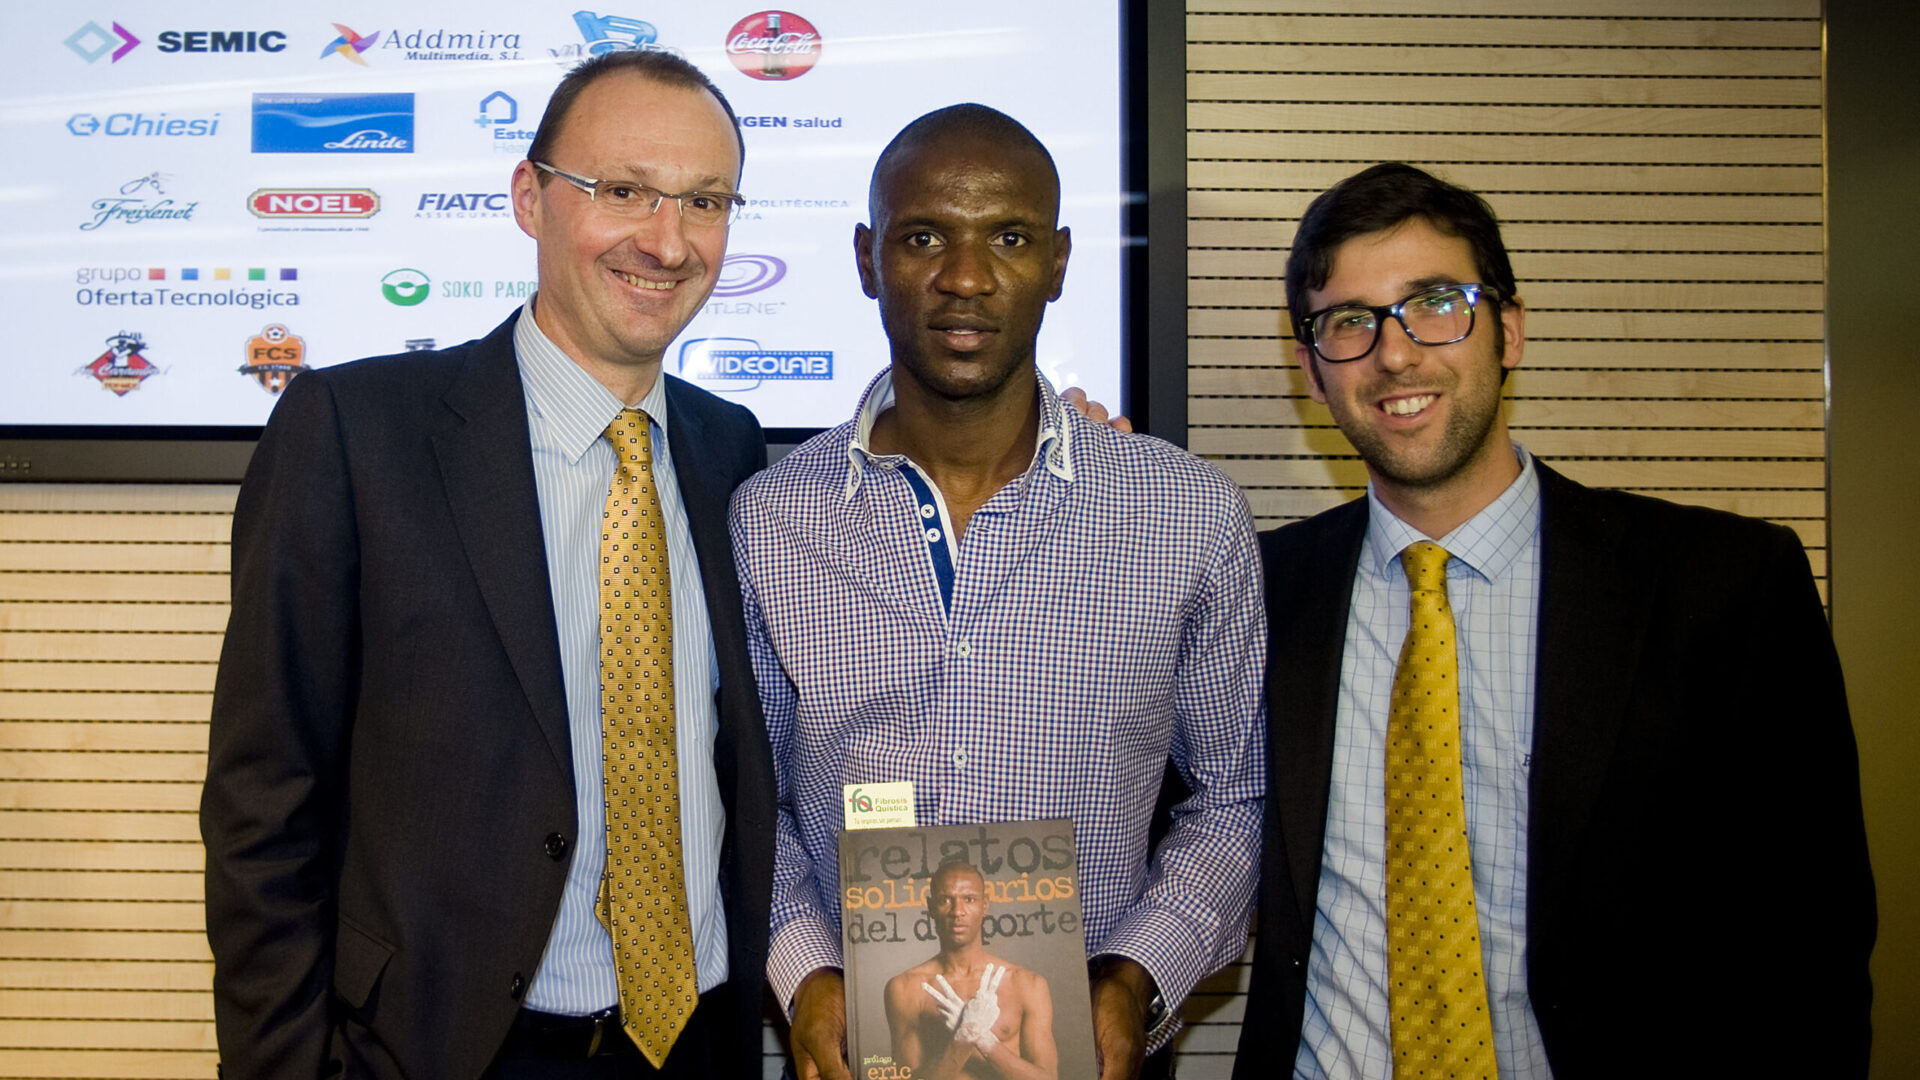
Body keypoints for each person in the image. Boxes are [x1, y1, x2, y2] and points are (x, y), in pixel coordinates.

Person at [201, 50, 778, 1079]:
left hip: (696, 1040)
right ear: (529, 197)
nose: (667, 239)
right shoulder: (354, 434)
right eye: (623, 190)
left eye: (705, 200)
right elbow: (263, 802)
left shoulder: (730, 447)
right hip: (444, 1046)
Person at [1234, 162, 1876, 1079]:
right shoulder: (1254, 592)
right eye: (1350, 321)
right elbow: (1148, 819)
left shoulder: (1724, 588)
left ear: (1511, 330)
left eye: (1435, 304)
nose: (1396, 353)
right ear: (1312, 370)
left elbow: (1811, 946)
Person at [729, 104, 1266, 1080]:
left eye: (1009, 237)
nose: (965, 278)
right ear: (866, 258)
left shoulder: (1188, 516)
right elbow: (746, 799)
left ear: (1059, 263)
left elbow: (1239, 795)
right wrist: (806, 976)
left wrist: (1139, 977)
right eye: (924, 235)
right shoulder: (772, 521)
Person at [884, 862, 1058, 1080]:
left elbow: (1048, 1078)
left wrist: (983, 1039)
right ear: (930, 907)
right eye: (945, 899)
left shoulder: (1027, 984)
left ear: (985, 905)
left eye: (969, 899)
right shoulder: (905, 988)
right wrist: (964, 1038)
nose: (957, 911)